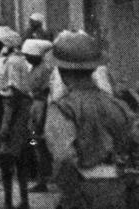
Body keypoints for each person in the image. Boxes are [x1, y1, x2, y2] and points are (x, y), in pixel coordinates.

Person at [45, 31, 139, 209]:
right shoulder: (117, 104)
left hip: (82, 190)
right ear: (94, 68)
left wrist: (71, 195)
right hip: (120, 188)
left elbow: (63, 158)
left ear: (62, 71)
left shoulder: (62, 108)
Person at [0, 26, 33, 209]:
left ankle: (10, 200)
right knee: (20, 159)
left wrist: (5, 125)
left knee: (7, 159)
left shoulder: (12, 62)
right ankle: (22, 200)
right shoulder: (17, 60)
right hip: (21, 114)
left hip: (14, 115)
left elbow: (12, 96)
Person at [22, 38, 53, 193]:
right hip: (34, 107)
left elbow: (46, 91)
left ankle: (43, 178)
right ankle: (41, 175)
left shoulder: (43, 70)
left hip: (40, 108)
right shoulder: (35, 68)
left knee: (39, 144)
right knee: (35, 144)